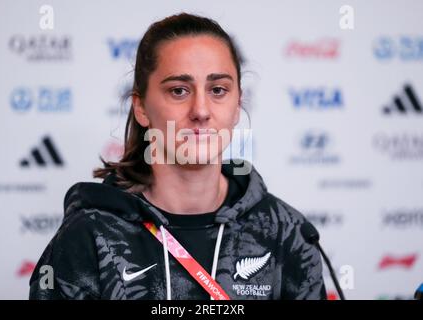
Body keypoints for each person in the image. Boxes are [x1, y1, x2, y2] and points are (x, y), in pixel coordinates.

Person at [29, 12, 326, 300]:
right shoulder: (90, 235)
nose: (200, 111)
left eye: (218, 89)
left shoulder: (287, 232)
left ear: (237, 105)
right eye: (179, 91)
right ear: (141, 107)